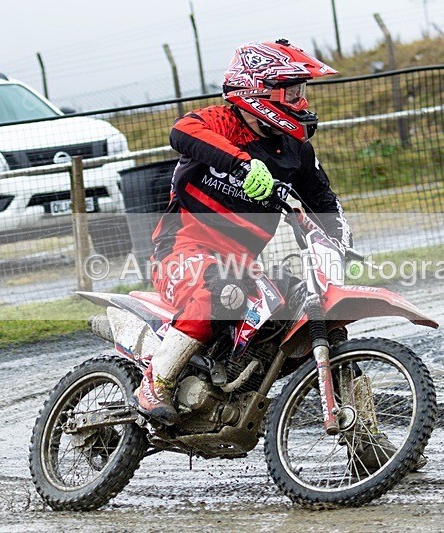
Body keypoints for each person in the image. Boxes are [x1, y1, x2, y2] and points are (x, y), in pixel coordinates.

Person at [133, 39, 351, 422]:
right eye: (292, 91)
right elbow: (182, 132)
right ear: (258, 90)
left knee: (294, 306)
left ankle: (364, 434)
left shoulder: (296, 151)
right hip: (182, 247)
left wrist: (339, 241)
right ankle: (156, 383)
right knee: (219, 293)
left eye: (302, 91)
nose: (300, 101)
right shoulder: (220, 122)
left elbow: (324, 202)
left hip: (242, 261)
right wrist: (242, 164)